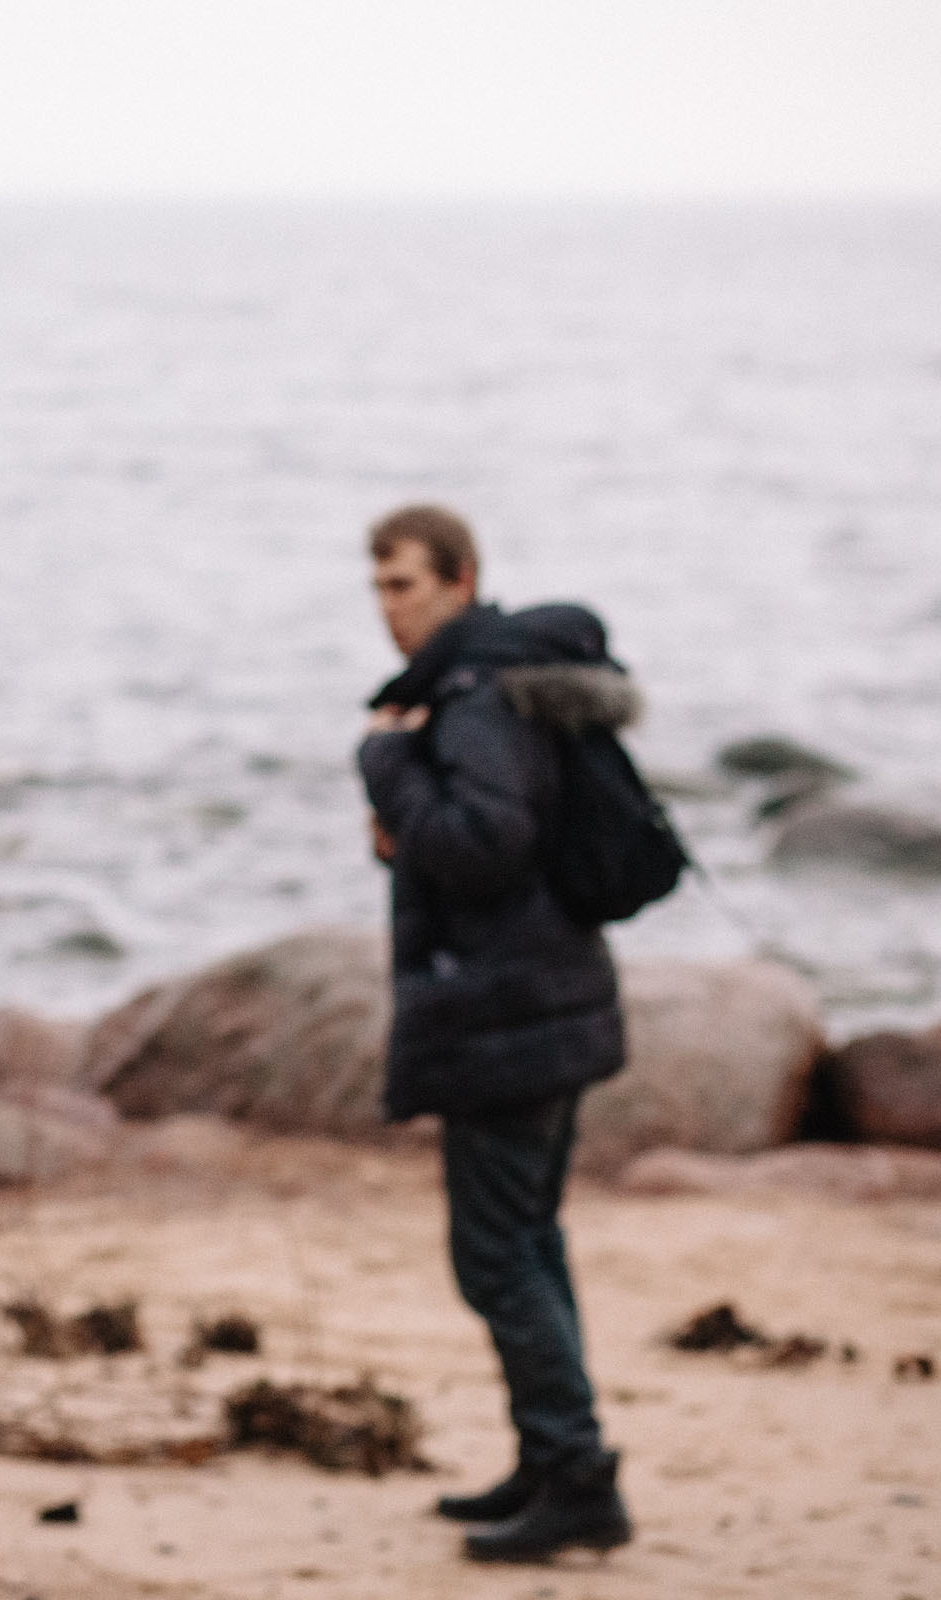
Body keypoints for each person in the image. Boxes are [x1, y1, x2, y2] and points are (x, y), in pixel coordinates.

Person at [354, 506, 637, 1564]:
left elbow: (486, 843)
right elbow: (493, 851)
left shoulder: (472, 698)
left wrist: (386, 769)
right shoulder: (491, 686)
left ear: (462, 579)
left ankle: (575, 1475)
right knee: (530, 1243)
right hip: (540, 1005)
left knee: (497, 1259)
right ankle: (550, 1460)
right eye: (378, 588)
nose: (390, 609)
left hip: (508, 1022)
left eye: (406, 585)